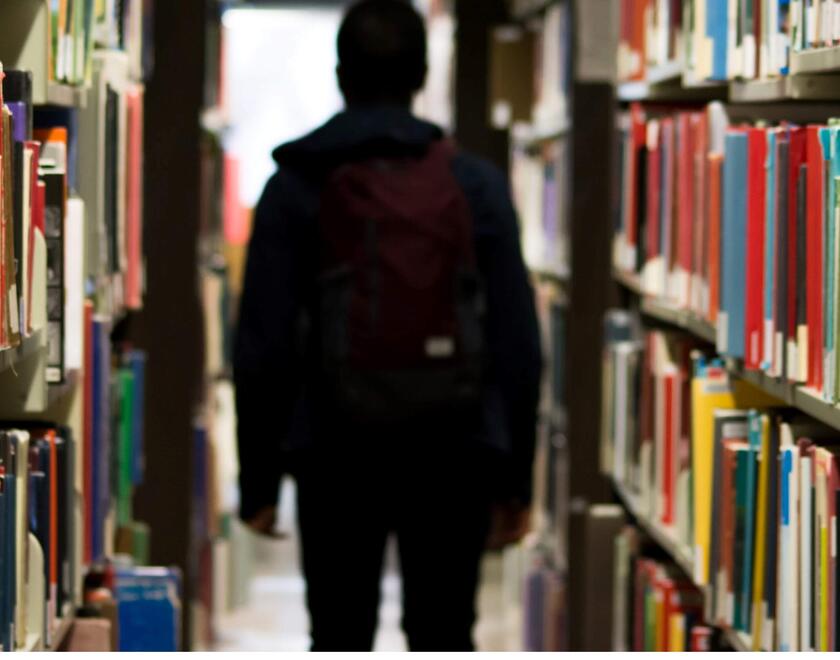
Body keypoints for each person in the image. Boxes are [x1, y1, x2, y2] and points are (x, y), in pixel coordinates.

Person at [233, 0, 542, 651]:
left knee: (340, 633)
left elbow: (262, 344)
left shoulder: (295, 185)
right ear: (422, 74)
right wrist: (514, 479)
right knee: (444, 633)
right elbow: (518, 342)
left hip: (334, 447)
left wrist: (259, 480)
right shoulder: (474, 184)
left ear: (341, 72)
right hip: (452, 449)